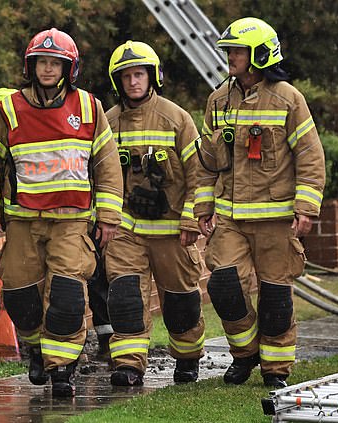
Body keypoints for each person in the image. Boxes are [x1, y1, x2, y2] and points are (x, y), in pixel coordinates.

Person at [0, 28, 123, 397]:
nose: (48, 69)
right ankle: (38, 349)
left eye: (56, 63)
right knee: (21, 298)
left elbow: (106, 165)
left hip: (71, 222)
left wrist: (108, 217)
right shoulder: (8, 110)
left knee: (68, 299)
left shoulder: (89, 107)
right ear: (31, 65)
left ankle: (62, 371)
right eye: (42, 62)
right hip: (23, 221)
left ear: (68, 68)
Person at [194, 17, 326, 389]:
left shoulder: (289, 99)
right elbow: (206, 161)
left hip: (276, 217)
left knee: (276, 297)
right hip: (231, 217)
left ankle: (275, 369)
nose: (230, 58)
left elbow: (311, 157)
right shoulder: (217, 100)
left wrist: (306, 206)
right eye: (230, 51)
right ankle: (246, 353)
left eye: (237, 51)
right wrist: (203, 205)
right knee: (223, 286)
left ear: (260, 55)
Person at [104, 41, 205, 387]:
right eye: (127, 76)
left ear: (153, 77)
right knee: (126, 297)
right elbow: (99, 175)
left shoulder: (177, 119)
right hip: (126, 230)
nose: (133, 82)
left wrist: (192, 219)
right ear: (117, 82)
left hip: (173, 229)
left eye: (139, 74)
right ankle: (129, 365)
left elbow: (199, 176)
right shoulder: (107, 122)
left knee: (180, 304)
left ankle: (188, 359)